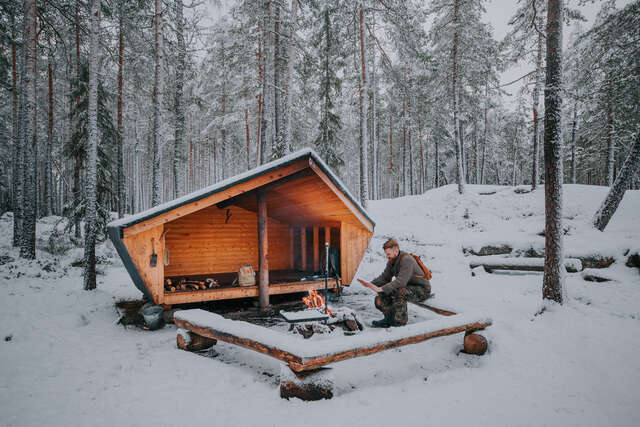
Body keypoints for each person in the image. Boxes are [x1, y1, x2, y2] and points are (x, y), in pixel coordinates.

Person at [357, 238, 431, 327]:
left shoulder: (406, 260)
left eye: (388, 254)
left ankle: (399, 321)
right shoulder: (392, 261)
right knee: (384, 291)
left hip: (422, 290)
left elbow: (401, 282)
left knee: (399, 291)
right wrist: (370, 284)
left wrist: (382, 288)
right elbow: (384, 277)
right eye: (386, 254)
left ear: (396, 251)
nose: (387, 256)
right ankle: (388, 319)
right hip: (409, 287)